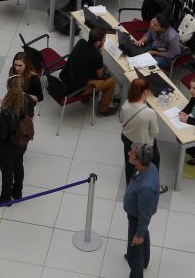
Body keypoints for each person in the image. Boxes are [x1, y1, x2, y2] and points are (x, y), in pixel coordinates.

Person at [0, 52, 43, 174]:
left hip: (25, 111)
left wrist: (22, 95)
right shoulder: (13, 72)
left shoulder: (34, 78)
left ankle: (15, 157)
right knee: (3, 135)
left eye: (20, 66)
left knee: (20, 133)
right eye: (15, 65)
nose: (17, 68)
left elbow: (39, 98)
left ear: (26, 65)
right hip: (11, 107)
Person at [0, 75, 34, 205]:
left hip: (8, 146)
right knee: (18, 165)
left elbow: (2, 133)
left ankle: (5, 198)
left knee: (7, 171)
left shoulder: (7, 111)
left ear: (8, 89)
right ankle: (17, 193)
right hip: (22, 142)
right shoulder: (27, 99)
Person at [120, 78, 167, 192]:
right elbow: (155, 132)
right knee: (154, 163)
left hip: (128, 140)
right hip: (144, 144)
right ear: (145, 92)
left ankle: (129, 187)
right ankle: (155, 186)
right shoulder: (149, 112)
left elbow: (122, 119)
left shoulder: (125, 104)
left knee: (129, 164)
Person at [61, 27, 117, 116]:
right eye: (104, 40)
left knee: (91, 70)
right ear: (98, 42)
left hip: (66, 79)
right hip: (76, 88)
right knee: (111, 82)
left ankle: (89, 96)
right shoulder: (97, 56)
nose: (104, 41)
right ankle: (102, 110)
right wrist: (100, 57)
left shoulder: (81, 42)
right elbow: (100, 75)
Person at [123, 144, 160, 278]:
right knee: (143, 233)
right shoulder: (150, 167)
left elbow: (144, 215)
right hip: (136, 214)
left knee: (135, 249)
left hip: (137, 216)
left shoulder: (146, 187)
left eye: (131, 153)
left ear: (138, 160)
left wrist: (139, 235)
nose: (128, 153)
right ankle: (144, 262)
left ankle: (137, 270)